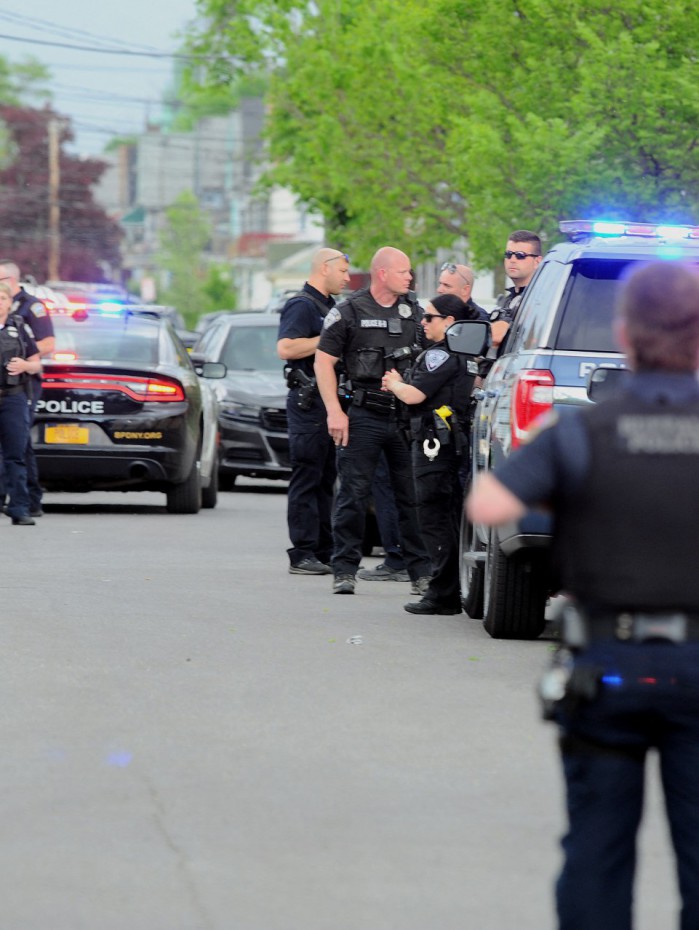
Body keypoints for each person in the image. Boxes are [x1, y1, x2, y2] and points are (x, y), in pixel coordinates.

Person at [466, 260, 699, 929]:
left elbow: (486, 503)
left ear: (623, 336)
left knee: (597, 848)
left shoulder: (582, 433)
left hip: (608, 664)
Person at [315, 246, 432, 595]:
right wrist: (334, 411)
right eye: (404, 271)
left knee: (411, 496)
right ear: (383, 273)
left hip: (405, 418)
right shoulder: (349, 311)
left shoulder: (415, 313)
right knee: (353, 493)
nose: (410, 277)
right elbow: (323, 363)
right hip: (364, 414)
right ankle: (345, 569)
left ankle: (421, 573)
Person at [382, 294, 479, 615]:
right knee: (446, 517)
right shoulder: (465, 355)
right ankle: (447, 591)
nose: (423, 323)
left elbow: (414, 395)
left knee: (433, 517)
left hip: (433, 445)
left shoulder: (441, 356)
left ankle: (442, 594)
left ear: (450, 322)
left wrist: (395, 383)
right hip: (450, 445)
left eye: (430, 318)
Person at [277, 248, 351, 574]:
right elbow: (286, 347)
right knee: (307, 477)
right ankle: (302, 552)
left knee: (325, 478)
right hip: (308, 403)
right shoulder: (302, 305)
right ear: (325, 268)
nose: (347, 278)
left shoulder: (330, 306)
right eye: (344, 271)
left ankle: (323, 549)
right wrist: (328, 340)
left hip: (327, 402)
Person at [0, 261, 55, 517]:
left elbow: (47, 344)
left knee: (19, 446)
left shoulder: (31, 307)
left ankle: (29, 500)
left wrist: (21, 358)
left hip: (21, 386)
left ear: (11, 279)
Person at [0, 281, 41, 525]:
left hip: (13, 397)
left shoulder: (19, 327)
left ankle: (19, 508)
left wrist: (25, 366)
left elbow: (37, 363)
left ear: (9, 303)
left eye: (2, 299)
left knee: (15, 455)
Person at [489, 231, 542, 350]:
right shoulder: (506, 300)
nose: (512, 260)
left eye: (520, 255)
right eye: (508, 254)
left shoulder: (542, 301)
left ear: (537, 261)